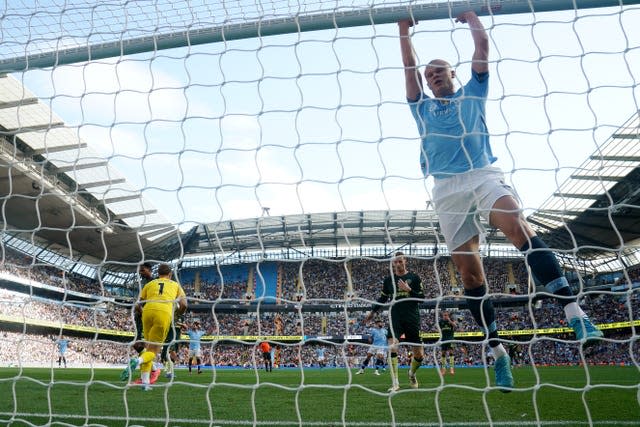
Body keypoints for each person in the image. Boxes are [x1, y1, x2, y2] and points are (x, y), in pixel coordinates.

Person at [398, 10, 603, 392]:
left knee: (516, 226)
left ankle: (575, 313)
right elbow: (408, 67)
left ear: (453, 74)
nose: (433, 76)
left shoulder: (474, 92)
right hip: (446, 189)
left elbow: (482, 48)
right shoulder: (420, 107)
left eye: (439, 71)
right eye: (429, 75)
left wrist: (472, 16)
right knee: (471, 277)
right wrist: (402, 29)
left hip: (483, 175)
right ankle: (498, 353)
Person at [364, 252, 425, 392]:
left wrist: (409, 290)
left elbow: (422, 298)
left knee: (419, 355)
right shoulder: (388, 280)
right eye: (395, 262)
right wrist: (372, 312)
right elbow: (382, 299)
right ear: (393, 263)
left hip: (412, 317)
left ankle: (411, 374)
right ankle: (395, 383)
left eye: (400, 261)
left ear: (405, 261)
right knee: (392, 347)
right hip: (395, 316)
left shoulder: (414, 278)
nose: (398, 264)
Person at [131, 263, 188, 390]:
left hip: (147, 313)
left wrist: (143, 312)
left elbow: (136, 305)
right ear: (170, 274)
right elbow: (184, 305)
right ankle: (137, 361)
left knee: (146, 347)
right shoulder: (175, 285)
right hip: (163, 313)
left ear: (158, 274)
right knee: (153, 351)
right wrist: (176, 313)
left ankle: (145, 384)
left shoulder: (149, 284)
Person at [439, 310, 456, 375]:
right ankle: (443, 369)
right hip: (443, 339)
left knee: (451, 353)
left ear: (448, 316)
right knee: (443, 354)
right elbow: (437, 328)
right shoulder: (441, 322)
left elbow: (455, 326)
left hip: (450, 339)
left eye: (446, 315)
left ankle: (451, 369)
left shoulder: (451, 321)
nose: (445, 316)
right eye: (444, 315)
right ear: (443, 316)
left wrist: (449, 320)